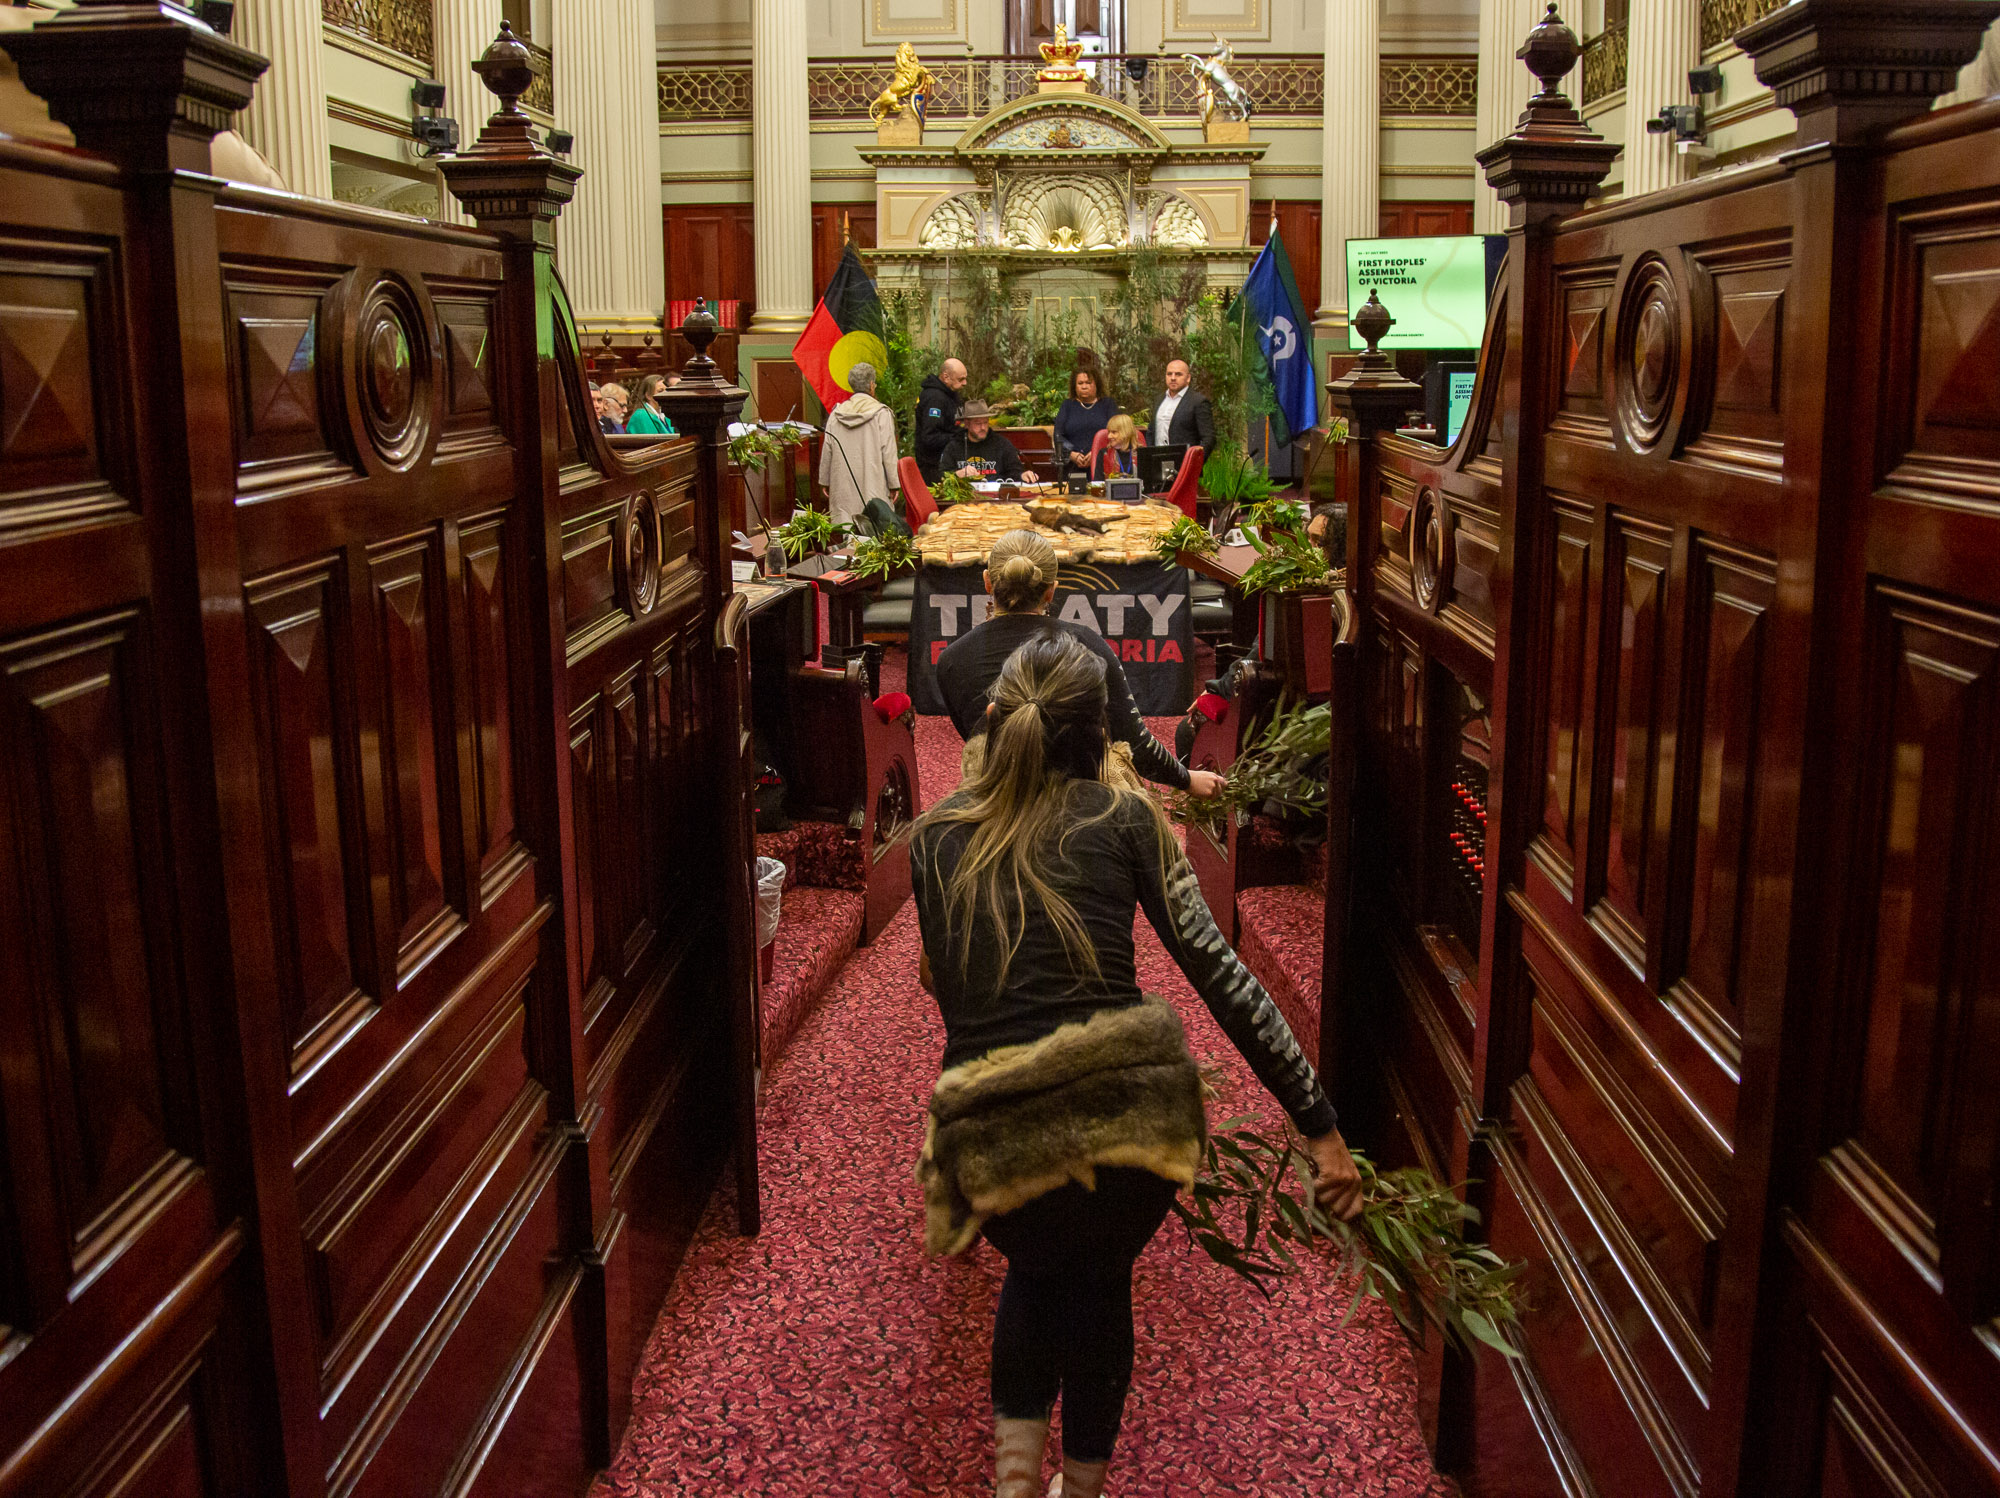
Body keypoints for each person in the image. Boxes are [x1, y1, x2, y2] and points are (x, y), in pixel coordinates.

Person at [911, 631, 1362, 1498]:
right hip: (1129, 1136)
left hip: (990, 1142)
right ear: (1100, 738)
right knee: (1098, 1274)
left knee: (1036, 1266)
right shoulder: (1128, 821)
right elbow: (1223, 977)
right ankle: (1080, 1490)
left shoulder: (932, 838)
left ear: (996, 721)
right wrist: (1319, 1123)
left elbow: (960, 1007)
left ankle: (1015, 1485)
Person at [935, 528, 1217, 798]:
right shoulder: (1087, 645)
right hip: (1078, 803)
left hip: (993, 799)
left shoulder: (950, 660)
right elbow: (1137, 744)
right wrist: (1187, 779)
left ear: (987, 582)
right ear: (1051, 590)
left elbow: (976, 739)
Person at [818, 361, 900, 525]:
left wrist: (825, 480)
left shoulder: (836, 414)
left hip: (842, 488)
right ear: (871, 385)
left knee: (845, 528)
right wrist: (894, 484)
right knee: (874, 528)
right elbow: (888, 453)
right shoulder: (881, 413)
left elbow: (827, 450)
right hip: (874, 485)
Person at [940, 402, 1039, 485]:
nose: (983, 427)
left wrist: (1023, 475)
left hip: (997, 496)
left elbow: (1014, 471)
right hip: (965, 496)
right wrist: (957, 474)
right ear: (967, 424)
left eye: (985, 422)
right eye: (978, 423)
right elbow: (942, 475)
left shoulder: (1002, 444)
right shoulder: (954, 446)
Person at [1052, 367, 1117, 474]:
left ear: (1096, 384)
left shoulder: (1108, 404)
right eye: (1080, 383)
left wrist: (1097, 453)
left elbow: (1117, 433)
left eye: (1088, 383)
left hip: (1102, 464)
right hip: (1072, 466)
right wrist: (1071, 454)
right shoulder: (1067, 405)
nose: (1084, 387)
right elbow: (1058, 435)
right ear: (1074, 386)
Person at [914, 357, 969, 482]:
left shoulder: (951, 394)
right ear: (946, 377)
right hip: (934, 466)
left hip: (950, 460)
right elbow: (929, 437)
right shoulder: (935, 399)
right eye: (961, 379)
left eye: (965, 378)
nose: (965, 383)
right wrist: (959, 437)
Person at [1149, 357, 1216, 453]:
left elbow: (1208, 438)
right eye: (1169, 374)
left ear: (1188, 378)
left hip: (1183, 460)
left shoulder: (1198, 401)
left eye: (1178, 374)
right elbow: (1151, 431)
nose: (1173, 378)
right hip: (1157, 458)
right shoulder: (1159, 400)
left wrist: (1194, 459)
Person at [1093, 413, 1143, 480]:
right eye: (1109, 432)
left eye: (1113, 432)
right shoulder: (1104, 453)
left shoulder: (1142, 453)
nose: (1109, 436)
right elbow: (1097, 483)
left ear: (1126, 432)